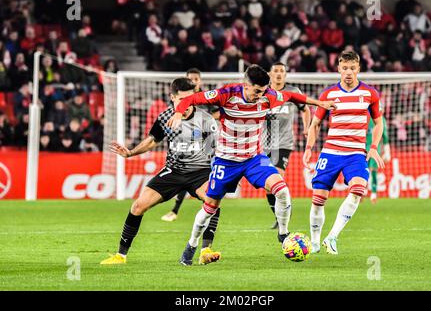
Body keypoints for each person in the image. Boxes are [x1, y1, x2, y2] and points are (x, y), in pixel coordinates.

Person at [167, 65, 336, 265]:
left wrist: (319, 103)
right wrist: (178, 113)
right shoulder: (226, 94)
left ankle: (283, 233)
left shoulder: (269, 96)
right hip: (226, 161)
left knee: (281, 190)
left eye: (263, 91)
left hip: (254, 159)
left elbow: (292, 96)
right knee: (210, 206)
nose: (260, 96)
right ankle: (191, 246)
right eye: (256, 91)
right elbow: (190, 99)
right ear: (246, 85)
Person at [100, 78, 222, 266]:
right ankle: (120, 256)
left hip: (200, 172)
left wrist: (223, 173)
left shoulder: (205, 119)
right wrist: (130, 153)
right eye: (182, 99)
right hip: (172, 172)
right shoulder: (166, 117)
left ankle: (206, 250)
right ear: (172, 97)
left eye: (190, 99)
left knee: (212, 200)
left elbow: (215, 150)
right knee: (138, 207)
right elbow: (151, 141)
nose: (186, 104)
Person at [303, 51, 385, 255]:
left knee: (358, 190)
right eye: (345, 68)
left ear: (358, 69)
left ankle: (332, 237)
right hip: (330, 152)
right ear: (339, 68)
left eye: (352, 68)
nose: (348, 72)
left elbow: (378, 123)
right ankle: (314, 243)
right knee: (318, 199)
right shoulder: (328, 94)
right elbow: (315, 124)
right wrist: (308, 149)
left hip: (356, 153)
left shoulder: (369, 93)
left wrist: (373, 147)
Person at [160, 68, 220, 223]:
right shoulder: (180, 99)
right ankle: (177, 210)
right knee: (187, 172)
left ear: (200, 81)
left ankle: (185, 210)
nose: (193, 81)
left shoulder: (207, 97)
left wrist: (204, 120)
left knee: (197, 173)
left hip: (205, 136)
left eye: (196, 79)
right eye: (190, 79)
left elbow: (219, 112)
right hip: (185, 138)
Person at [265, 62, 311, 229]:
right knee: (268, 185)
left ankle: (283, 213)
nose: (278, 74)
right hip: (263, 146)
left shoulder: (292, 92)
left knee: (277, 177)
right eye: (275, 71)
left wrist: (307, 127)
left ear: (285, 75)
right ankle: (279, 216)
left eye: (281, 71)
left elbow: (305, 109)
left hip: (283, 143)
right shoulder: (263, 92)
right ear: (270, 74)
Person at [366, 115, 390, 204]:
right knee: (362, 169)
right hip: (363, 147)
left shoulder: (381, 119)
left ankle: (373, 193)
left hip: (375, 148)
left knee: (373, 170)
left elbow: (385, 136)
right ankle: (361, 192)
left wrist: (387, 152)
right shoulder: (365, 116)